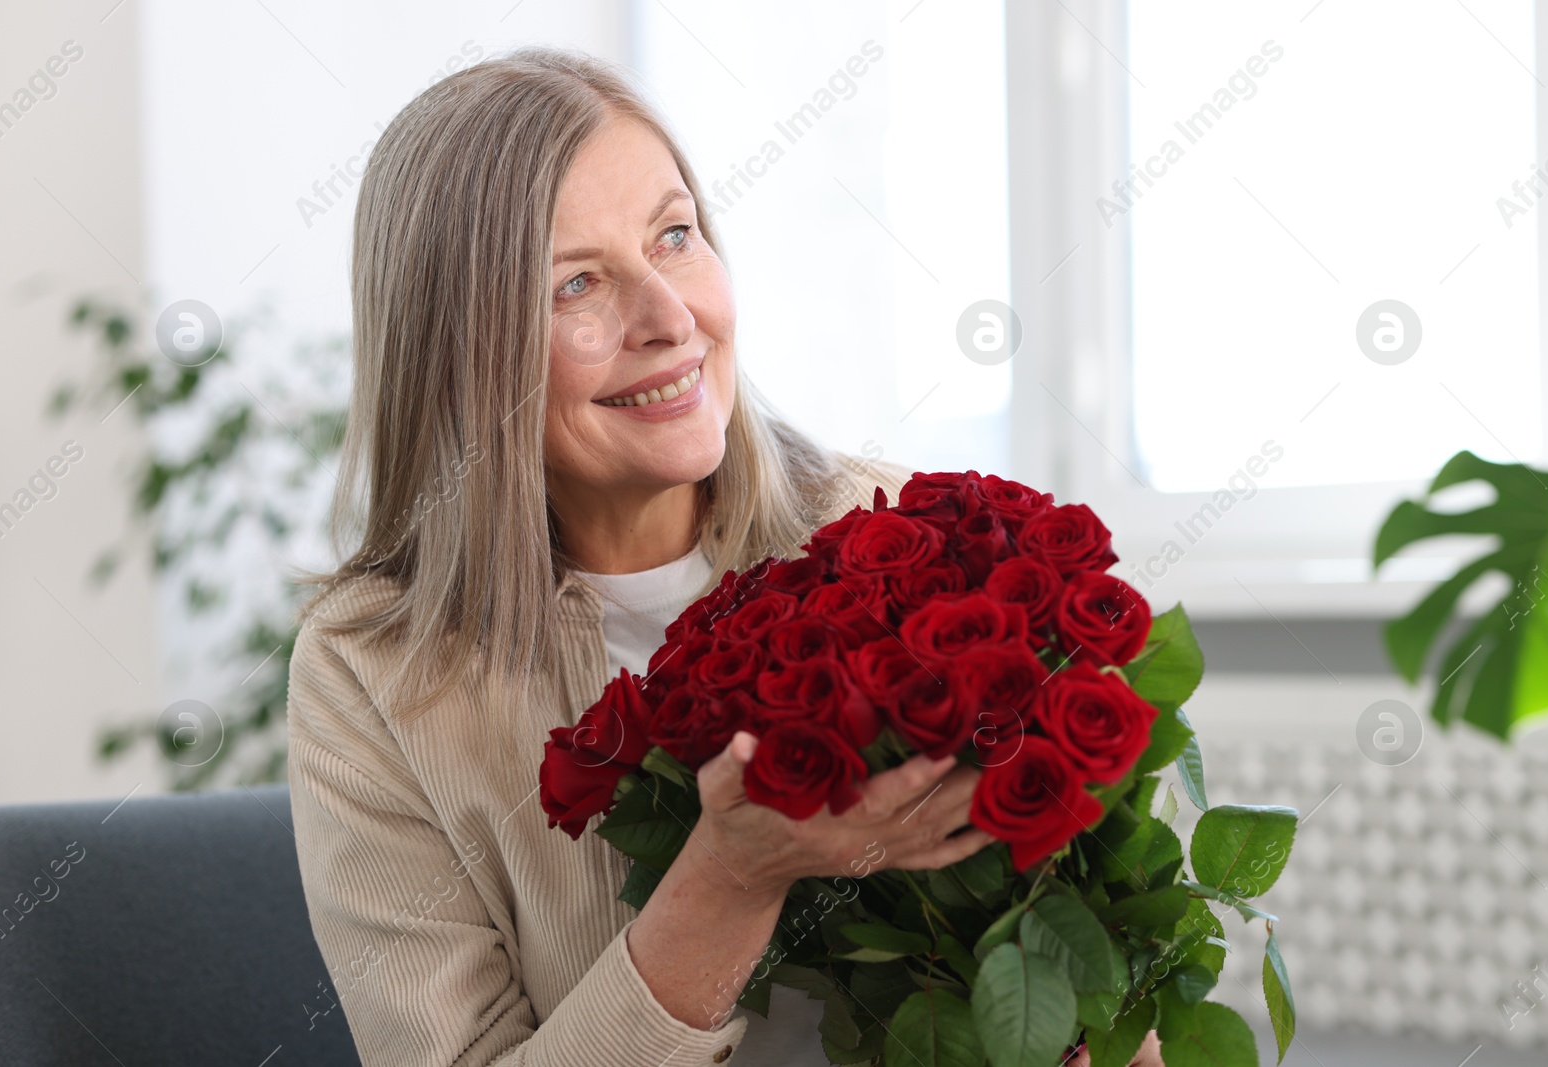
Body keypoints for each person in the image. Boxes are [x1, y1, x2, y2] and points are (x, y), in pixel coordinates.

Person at [286, 45, 1162, 1067]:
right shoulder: (367, 671)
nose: (670, 319)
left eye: (675, 235)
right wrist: (730, 874)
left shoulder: (900, 532)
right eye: (576, 284)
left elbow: (1106, 973)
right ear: (458, 354)